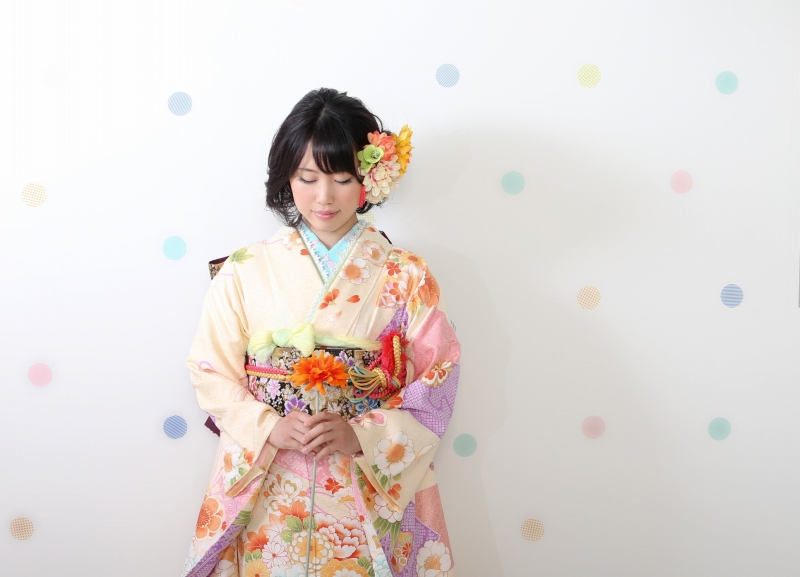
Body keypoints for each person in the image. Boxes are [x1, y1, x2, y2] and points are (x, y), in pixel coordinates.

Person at [180, 88, 461, 577]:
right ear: (287, 177)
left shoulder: (406, 274)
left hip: (362, 477)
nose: (324, 197)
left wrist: (362, 435)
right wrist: (268, 426)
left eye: (342, 178)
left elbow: (439, 376)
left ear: (368, 178)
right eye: (307, 178)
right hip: (272, 478)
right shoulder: (245, 269)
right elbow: (209, 369)